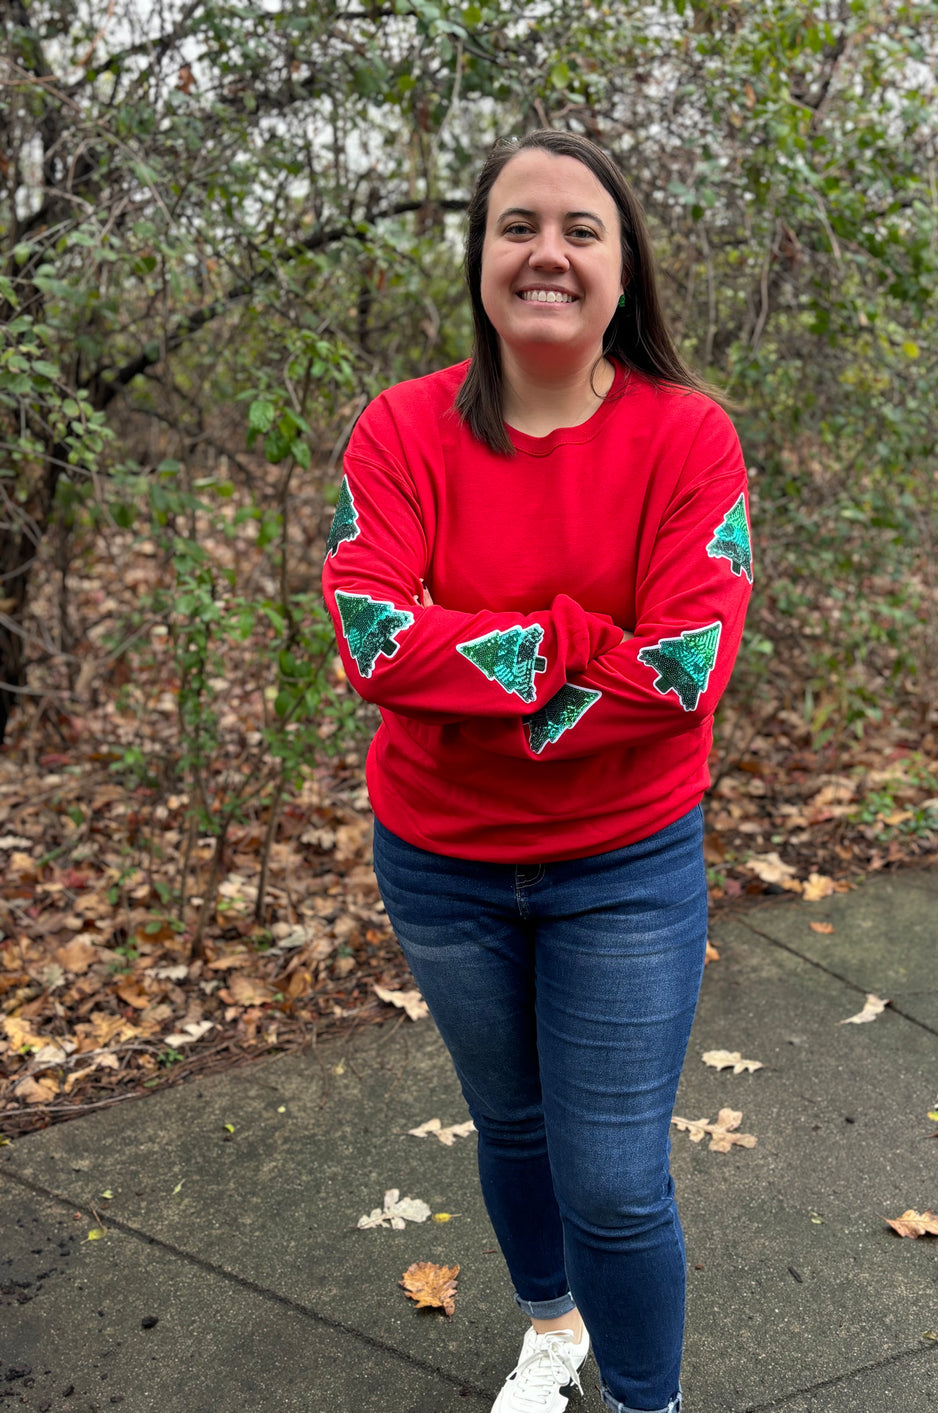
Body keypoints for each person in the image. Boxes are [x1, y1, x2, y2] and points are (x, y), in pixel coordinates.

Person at [322, 130, 753, 1413]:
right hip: (442, 865)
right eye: (517, 226)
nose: (546, 253)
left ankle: (642, 1399)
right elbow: (373, 638)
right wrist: (575, 642)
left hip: (623, 867)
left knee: (614, 1176)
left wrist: (482, 681)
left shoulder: (688, 438)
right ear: (479, 260)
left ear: (624, 274)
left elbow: (684, 672)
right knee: (509, 1127)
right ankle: (550, 1332)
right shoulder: (400, 430)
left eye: (580, 229)